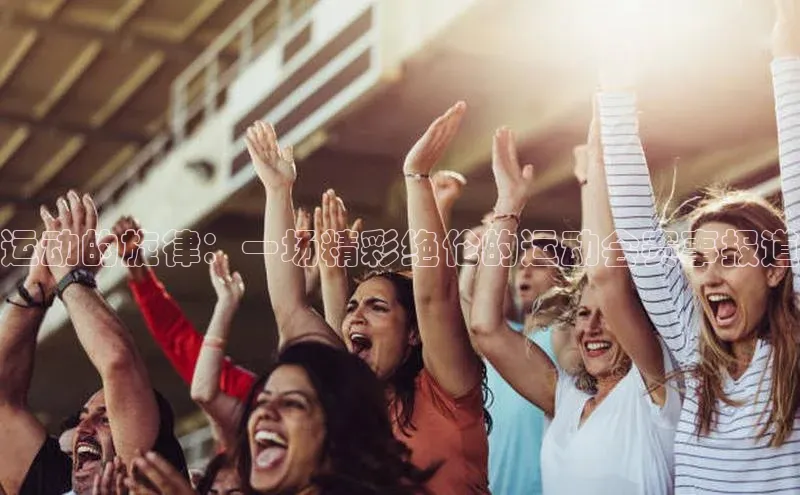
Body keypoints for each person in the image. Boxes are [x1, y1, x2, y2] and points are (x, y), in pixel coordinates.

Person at [598, 1, 800, 491]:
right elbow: (640, 233)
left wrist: (787, 52)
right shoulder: (694, 348)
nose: (709, 277)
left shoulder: (793, 351)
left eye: (730, 260)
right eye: (701, 261)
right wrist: (616, 94)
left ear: (775, 269)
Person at [245, 104, 491, 493]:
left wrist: (417, 178)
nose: (356, 316)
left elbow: (434, 297)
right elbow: (290, 306)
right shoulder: (346, 404)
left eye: (377, 307)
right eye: (352, 307)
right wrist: (278, 191)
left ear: (413, 333)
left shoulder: (445, 391)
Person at [469, 126, 680, 494]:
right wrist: (508, 208)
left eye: (608, 314)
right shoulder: (565, 400)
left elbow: (604, 274)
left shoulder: (654, 391)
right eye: (583, 314)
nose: (592, 327)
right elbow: (486, 328)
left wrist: (595, 174)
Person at [0, 191, 187, 495]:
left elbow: (118, 363)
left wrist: (71, 276)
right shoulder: (54, 481)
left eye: (106, 419)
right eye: (83, 417)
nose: (83, 430)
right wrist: (36, 290)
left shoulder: (142, 481)